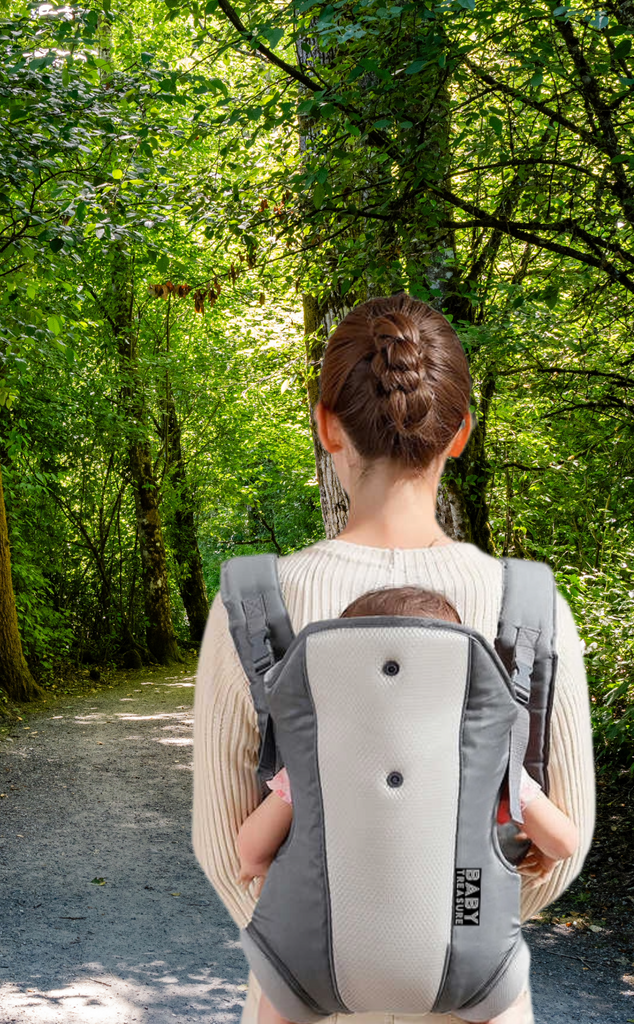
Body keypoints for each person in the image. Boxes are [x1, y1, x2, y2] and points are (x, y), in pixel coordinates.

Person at [192, 294, 595, 1024]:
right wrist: (450, 929)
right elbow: (562, 847)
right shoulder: (531, 605)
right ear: (462, 432)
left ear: (325, 426)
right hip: (479, 995)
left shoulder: (252, 603)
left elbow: (228, 850)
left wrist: (338, 945)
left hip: (301, 991)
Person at [235, 585, 581, 1024]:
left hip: (315, 955)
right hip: (464, 950)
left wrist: (262, 868)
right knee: (505, 1005)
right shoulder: (489, 758)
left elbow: (250, 849)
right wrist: (542, 854)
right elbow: (565, 842)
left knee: (279, 1001)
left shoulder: (315, 757)